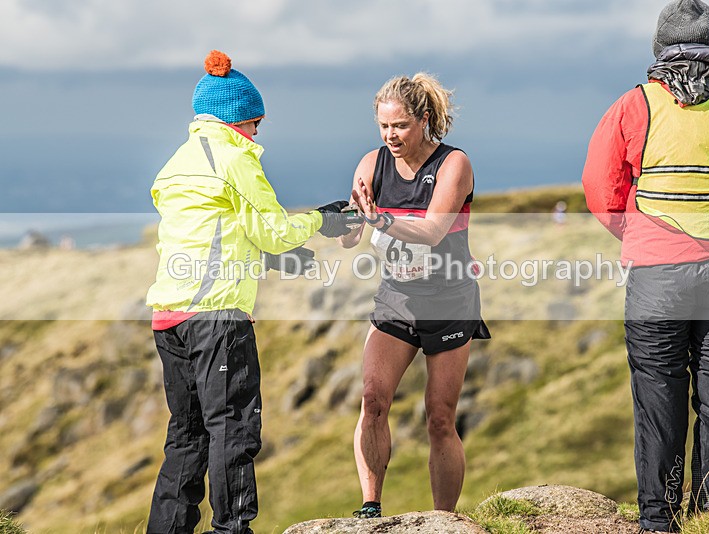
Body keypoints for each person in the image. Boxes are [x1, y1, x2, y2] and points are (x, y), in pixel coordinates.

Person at [581, 1, 709, 532]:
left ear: (659, 50)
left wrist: (638, 233)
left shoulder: (632, 107)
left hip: (656, 274)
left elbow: (601, 189)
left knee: (658, 389)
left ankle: (659, 518)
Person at [144, 50, 352, 534]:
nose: (259, 132)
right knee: (232, 430)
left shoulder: (176, 165)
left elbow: (214, 231)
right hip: (216, 317)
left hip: (169, 317)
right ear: (237, 119)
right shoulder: (235, 159)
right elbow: (275, 230)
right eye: (256, 122)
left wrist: (268, 257)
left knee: (187, 436)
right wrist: (323, 219)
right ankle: (233, 529)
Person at [340, 73, 491, 518]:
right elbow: (351, 238)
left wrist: (380, 218)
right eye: (384, 126)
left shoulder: (453, 165)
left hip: (449, 303)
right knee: (373, 398)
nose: (391, 136)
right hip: (396, 301)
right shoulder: (371, 163)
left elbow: (432, 230)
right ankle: (370, 505)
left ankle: (443, 519)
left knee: (440, 417)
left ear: (424, 121)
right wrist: (347, 220)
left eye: (400, 126)